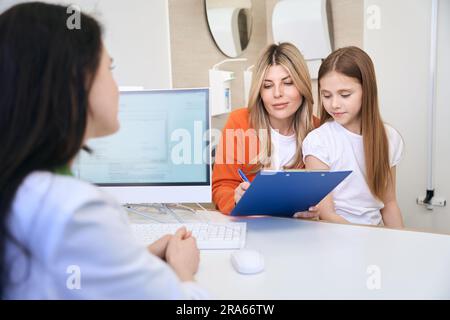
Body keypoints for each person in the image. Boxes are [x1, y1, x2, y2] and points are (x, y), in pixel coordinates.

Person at [0, 2, 207, 299]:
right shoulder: (75, 208)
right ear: (77, 82)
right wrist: (183, 269)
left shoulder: (22, 188)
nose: (117, 86)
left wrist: (136, 258)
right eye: (108, 68)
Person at [302, 46, 404, 228]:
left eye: (345, 95)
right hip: (334, 237)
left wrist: (400, 244)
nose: (334, 104)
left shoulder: (390, 138)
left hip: (374, 237)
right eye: (326, 95)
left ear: (367, 91)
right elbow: (326, 214)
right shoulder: (318, 141)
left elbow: (389, 204)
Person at [212, 42, 319, 215]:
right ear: (259, 92)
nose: (277, 93)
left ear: (302, 85)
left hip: (301, 232)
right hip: (253, 228)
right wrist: (235, 198)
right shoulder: (239, 122)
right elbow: (221, 187)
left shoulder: (318, 129)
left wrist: (317, 211)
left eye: (288, 83)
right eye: (268, 85)